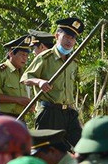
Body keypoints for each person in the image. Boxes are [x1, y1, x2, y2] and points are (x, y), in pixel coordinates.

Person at [22, 17, 86, 148]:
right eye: (66, 36)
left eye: (73, 38)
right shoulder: (45, 57)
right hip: (50, 112)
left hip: (68, 112)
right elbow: (25, 78)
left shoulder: (73, 62)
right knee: (46, 151)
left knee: (82, 147)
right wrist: (39, 82)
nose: (70, 41)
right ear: (57, 36)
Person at [0, 36, 32, 117]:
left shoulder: (24, 74)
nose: (25, 58)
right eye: (22, 55)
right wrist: (17, 100)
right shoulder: (0, 71)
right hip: (2, 117)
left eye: (26, 55)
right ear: (11, 53)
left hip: (20, 117)